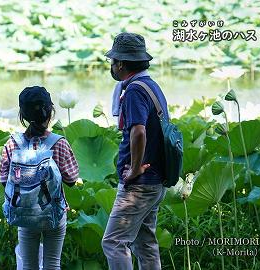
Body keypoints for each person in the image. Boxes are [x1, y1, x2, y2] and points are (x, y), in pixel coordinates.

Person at [101, 33, 168, 270]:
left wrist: (135, 168)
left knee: (114, 242)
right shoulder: (151, 86)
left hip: (140, 184)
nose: (111, 66)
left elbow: (138, 132)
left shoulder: (133, 91)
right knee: (145, 243)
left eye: (112, 61)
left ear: (120, 63)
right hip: (156, 181)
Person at [0, 86, 79, 270]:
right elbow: (72, 180)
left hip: (24, 213)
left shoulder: (12, 143)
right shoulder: (59, 142)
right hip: (54, 213)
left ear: (23, 115)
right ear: (50, 111)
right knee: (52, 264)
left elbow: (4, 180)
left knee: (28, 265)